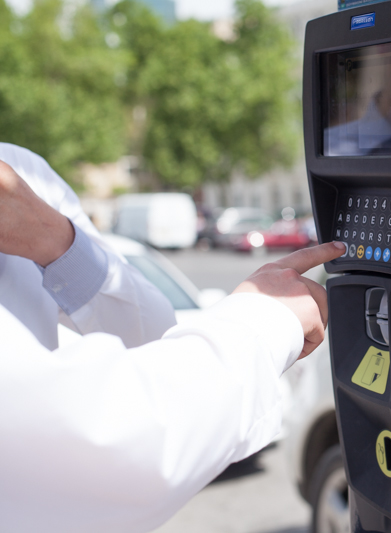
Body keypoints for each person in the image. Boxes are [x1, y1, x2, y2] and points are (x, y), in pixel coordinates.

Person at [0, 143, 345, 532]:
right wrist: (266, 319)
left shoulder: (22, 173)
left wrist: (54, 239)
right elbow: (110, 445)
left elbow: (150, 331)